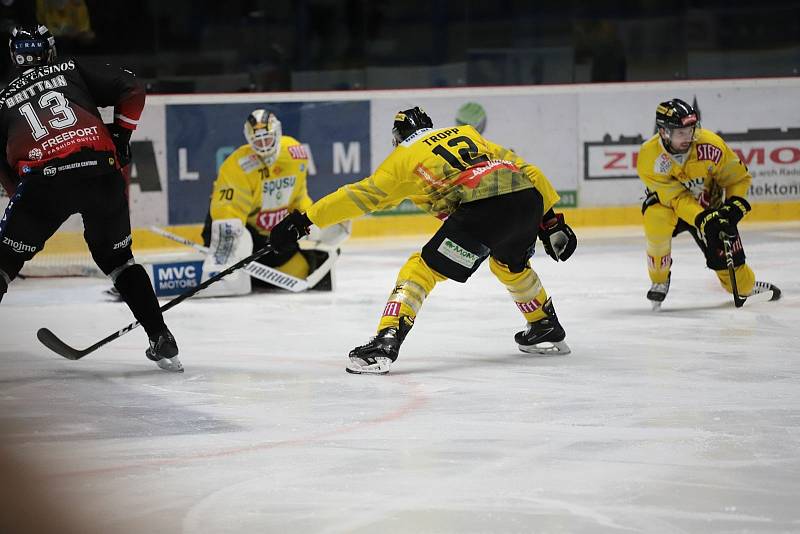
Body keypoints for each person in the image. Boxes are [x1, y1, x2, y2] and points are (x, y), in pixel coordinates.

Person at [271, 107, 577, 375]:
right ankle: (544, 325)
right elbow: (525, 168)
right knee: (511, 266)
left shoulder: (403, 156)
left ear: (398, 136)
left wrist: (305, 220)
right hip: (527, 200)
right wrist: (551, 220)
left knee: (421, 270)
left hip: (483, 208)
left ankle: (386, 341)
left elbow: (359, 196)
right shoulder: (467, 133)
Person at [0, 25, 182, 372]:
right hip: (102, 172)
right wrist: (121, 135)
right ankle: (161, 336)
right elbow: (133, 88)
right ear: (49, 50)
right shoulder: (70, 69)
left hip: (45, 180)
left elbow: (5, 171)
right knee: (119, 261)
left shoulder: (1, 98)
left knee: (3, 262)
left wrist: (22, 210)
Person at [637, 98, 780, 310]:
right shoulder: (649, 157)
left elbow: (738, 178)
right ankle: (659, 277)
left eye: (691, 130)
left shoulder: (711, 145)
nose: (689, 137)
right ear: (664, 132)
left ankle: (746, 285)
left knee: (739, 284)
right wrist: (702, 218)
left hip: (708, 208)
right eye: (681, 133)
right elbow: (676, 198)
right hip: (672, 209)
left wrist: (734, 205)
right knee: (656, 218)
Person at [198, 109, 347, 297]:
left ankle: (254, 273)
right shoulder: (238, 165)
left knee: (301, 271)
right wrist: (225, 251)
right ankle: (236, 268)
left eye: (266, 138)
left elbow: (298, 199)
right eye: (257, 140)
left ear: (277, 132)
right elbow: (228, 211)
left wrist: (318, 222)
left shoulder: (295, 154)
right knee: (241, 243)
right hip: (237, 229)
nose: (263, 145)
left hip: (272, 235)